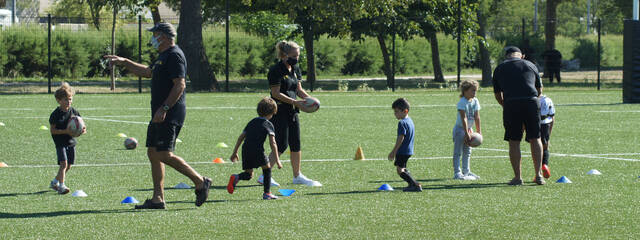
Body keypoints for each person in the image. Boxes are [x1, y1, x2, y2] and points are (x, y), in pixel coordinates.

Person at [104, 22, 211, 209]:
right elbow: (147, 72)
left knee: (163, 153)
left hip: (170, 113)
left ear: (164, 36)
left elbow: (180, 84)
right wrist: (124, 62)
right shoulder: (163, 56)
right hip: (159, 112)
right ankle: (158, 198)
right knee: (153, 153)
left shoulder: (175, 55)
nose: (153, 38)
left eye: (155, 34)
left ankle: (200, 181)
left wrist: (165, 108)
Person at [260, 40, 321, 187]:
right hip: (279, 110)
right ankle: (264, 176)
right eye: (294, 55)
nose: (297, 58)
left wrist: (309, 100)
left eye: (298, 55)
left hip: (292, 110)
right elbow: (275, 93)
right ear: (284, 54)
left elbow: (298, 89)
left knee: (295, 142)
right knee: (281, 144)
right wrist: (295, 102)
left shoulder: (295, 68)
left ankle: (297, 175)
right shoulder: (275, 70)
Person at [492, 46, 545, 186]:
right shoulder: (531, 65)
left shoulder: (499, 68)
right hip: (531, 102)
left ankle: (518, 177)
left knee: (514, 140)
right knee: (535, 138)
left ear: (506, 56)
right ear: (521, 55)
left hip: (511, 104)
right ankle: (538, 176)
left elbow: (498, 95)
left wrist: (507, 105)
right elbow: (539, 90)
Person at [227, 97, 283, 200]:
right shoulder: (269, 124)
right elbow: (273, 143)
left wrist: (235, 152)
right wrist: (278, 160)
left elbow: (241, 137)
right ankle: (267, 193)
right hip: (258, 150)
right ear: (272, 112)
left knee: (249, 175)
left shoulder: (252, 122)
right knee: (267, 169)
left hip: (246, 150)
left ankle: (237, 177)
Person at [49, 82, 86, 195]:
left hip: (71, 142)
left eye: (70, 99)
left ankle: (54, 182)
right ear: (59, 100)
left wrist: (82, 130)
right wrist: (65, 131)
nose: (68, 101)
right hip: (60, 142)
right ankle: (62, 186)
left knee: (68, 166)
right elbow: (52, 130)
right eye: (66, 99)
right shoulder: (55, 114)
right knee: (63, 164)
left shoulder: (73, 111)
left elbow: (81, 124)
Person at [388, 98, 422, 192]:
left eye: (397, 111)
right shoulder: (410, 121)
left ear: (405, 111)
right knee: (403, 168)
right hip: (409, 150)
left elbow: (401, 138)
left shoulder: (402, 123)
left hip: (402, 150)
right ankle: (414, 183)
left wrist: (393, 151)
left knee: (400, 170)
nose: (395, 114)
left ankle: (414, 185)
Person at [452, 80, 482, 180]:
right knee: (458, 152)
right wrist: (466, 133)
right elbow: (463, 118)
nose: (475, 93)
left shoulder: (475, 101)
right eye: (472, 91)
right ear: (465, 91)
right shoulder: (462, 102)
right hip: (460, 130)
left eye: (475, 91)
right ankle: (457, 173)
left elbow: (477, 117)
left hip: (469, 129)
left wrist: (478, 131)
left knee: (468, 151)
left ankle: (466, 171)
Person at [538, 92, 555, 179]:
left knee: (536, 148)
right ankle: (545, 164)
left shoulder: (531, 99)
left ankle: (538, 174)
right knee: (545, 146)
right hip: (546, 124)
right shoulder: (547, 100)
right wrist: (549, 135)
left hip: (534, 124)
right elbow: (552, 117)